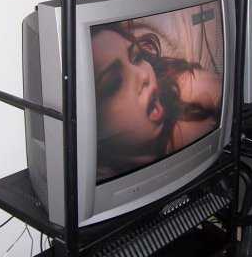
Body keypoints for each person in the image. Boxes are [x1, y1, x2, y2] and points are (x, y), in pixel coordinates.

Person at [91, 19, 222, 180]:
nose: (143, 75)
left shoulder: (186, 87)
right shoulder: (99, 179)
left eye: (136, 57)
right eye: (114, 83)